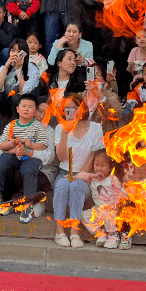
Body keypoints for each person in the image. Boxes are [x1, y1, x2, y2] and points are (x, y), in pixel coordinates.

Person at [0, 94, 51, 223]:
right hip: (14, 156)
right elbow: (1, 146)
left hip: (30, 159)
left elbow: (44, 146)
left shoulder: (39, 127)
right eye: (23, 106)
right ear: (17, 109)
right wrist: (13, 145)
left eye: (30, 107)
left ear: (33, 111)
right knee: (2, 163)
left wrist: (30, 147)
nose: (26, 109)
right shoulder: (11, 126)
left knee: (28, 170)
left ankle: (27, 205)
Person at [52, 94, 104, 248]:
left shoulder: (95, 128)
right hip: (64, 172)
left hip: (86, 175)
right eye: (68, 109)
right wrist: (64, 131)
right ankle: (59, 230)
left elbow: (94, 158)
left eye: (76, 108)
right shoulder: (59, 128)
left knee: (75, 186)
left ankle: (75, 231)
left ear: (83, 109)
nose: (73, 112)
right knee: (62, 186)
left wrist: (79, 176)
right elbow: (61, 158)